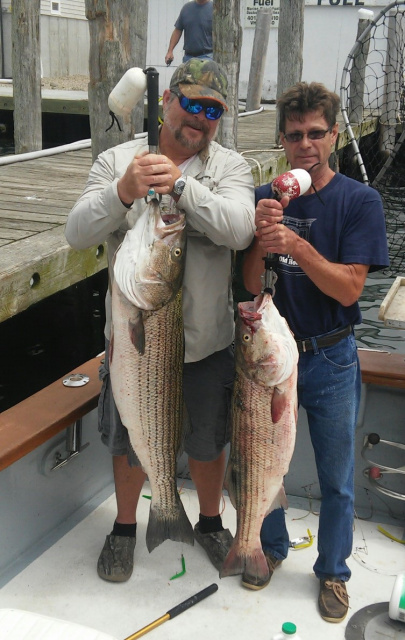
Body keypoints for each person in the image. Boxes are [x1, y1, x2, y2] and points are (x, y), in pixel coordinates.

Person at [65, 58, 255, 583]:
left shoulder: (231, 168)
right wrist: (124, 191)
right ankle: (125, 528)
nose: (199, 118)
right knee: (130, 442)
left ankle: (211, 522)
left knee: (206, 442)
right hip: (134, 343)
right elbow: (76, 233)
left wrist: (185, 189)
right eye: (191, 103)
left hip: (207, 346)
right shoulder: (116, 161)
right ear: (168, 100)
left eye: (212, 110)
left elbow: (240, 230)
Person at [242, 82, 389, 622]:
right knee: (265, 463)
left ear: (332, 138)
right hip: (268, 357)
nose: (306, 144)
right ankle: (271, 547)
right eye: (296, 135)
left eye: (317, 134)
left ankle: (333, 572)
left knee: (336, 477)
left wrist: (297, 245)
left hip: (330, 356)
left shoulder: (359, 201)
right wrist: (261, 241)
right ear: (282, 140)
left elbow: (351, 289)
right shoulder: (265, 196)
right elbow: (250, 282)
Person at [165, 0, 213, 66]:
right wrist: (170, 51)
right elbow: (178, 30)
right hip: (188, 57)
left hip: (207, 57)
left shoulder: (214, 9)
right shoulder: (186, 8)